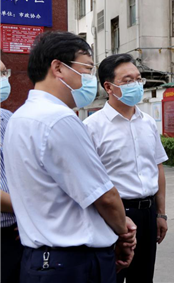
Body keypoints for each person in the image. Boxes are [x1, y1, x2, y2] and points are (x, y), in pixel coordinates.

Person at [3, 31, 136, 283]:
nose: (89, 77)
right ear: (58, 68)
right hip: (74, 264)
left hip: (39, 260)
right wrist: (123, 232)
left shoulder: (20, 117)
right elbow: (105, 196)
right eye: (86, 68)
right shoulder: (58, 119)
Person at [84, 54, 169, 283]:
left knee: (142, 277)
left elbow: (157, 167)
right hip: (112, 214)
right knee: (110, 275)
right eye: (128, 80)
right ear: (108, 87)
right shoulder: (92, 127)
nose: (136, 85)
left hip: (148, 212)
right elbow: (86, 179)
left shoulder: (148, 123)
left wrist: (160, 213)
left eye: (138, 79)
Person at [1, 60, 23, 283]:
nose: (4, 80)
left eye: (4, 73)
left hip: (18, 229)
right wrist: (30, 209)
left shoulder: (8, 120)